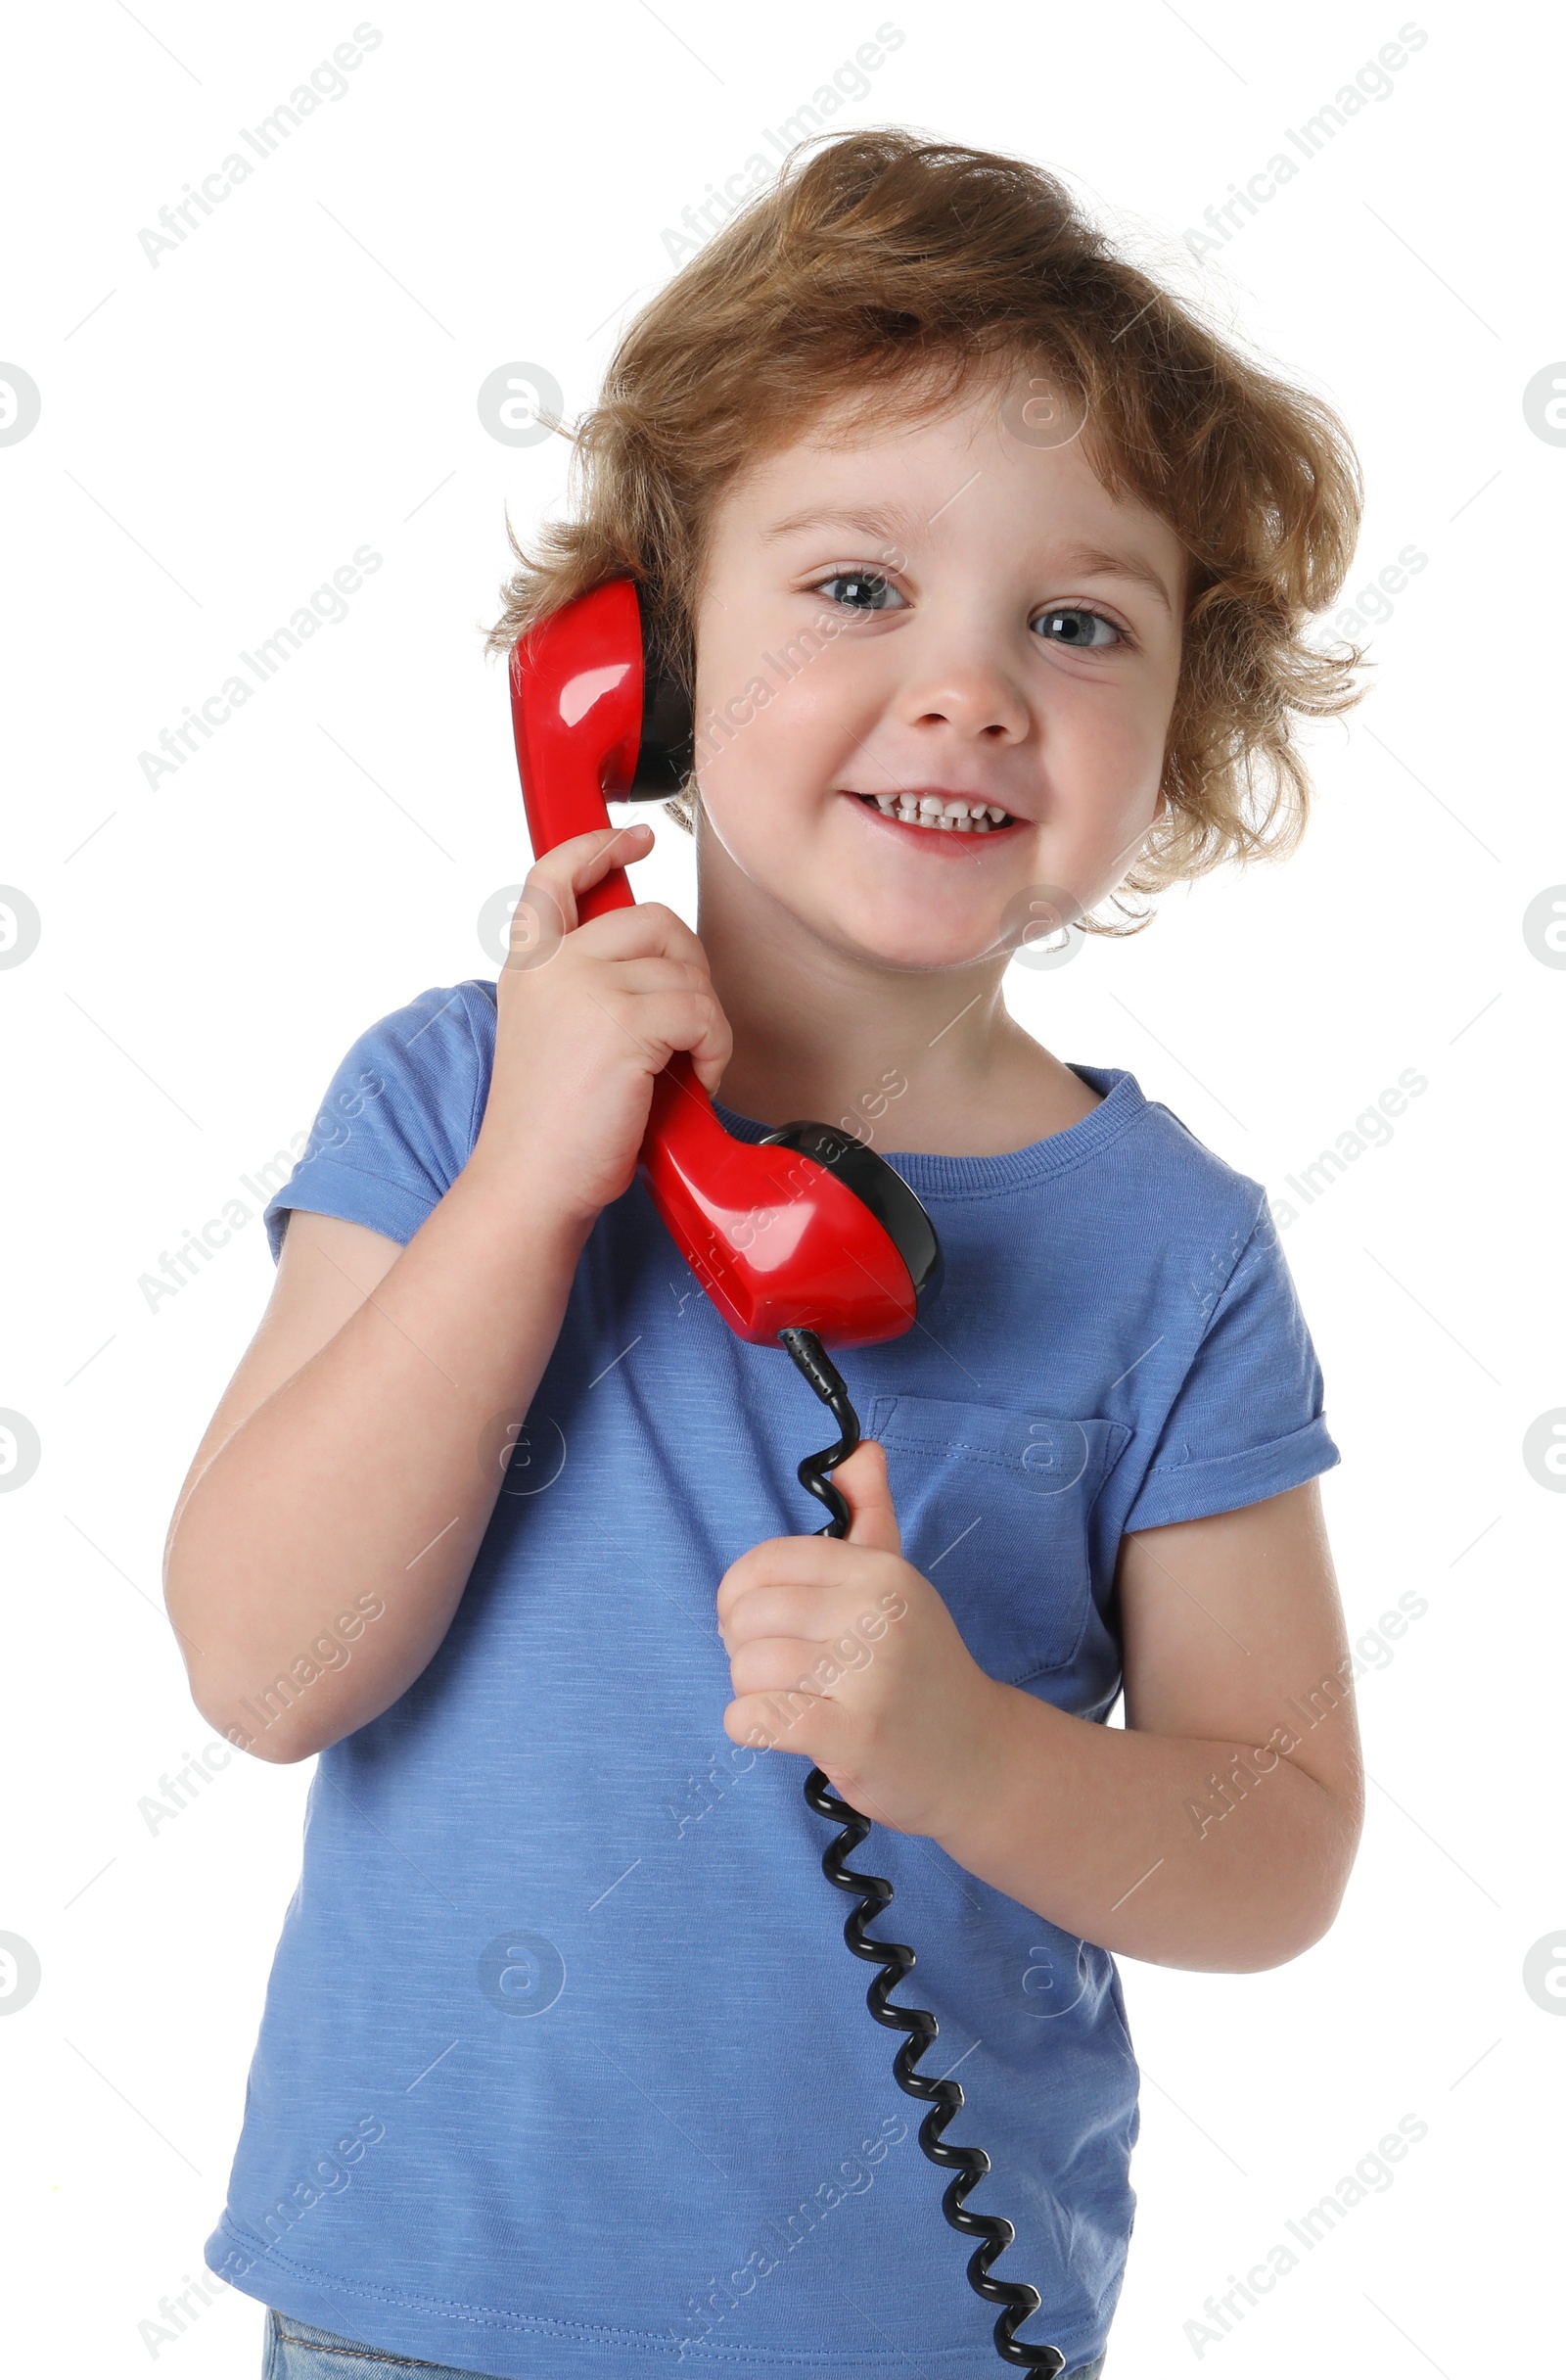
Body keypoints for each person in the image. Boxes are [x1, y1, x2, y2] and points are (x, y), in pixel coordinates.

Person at [163, 128, 1366, 2380]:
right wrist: (535, 1182)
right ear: (633, 668)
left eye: (1075, 622)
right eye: (850, 588)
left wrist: (970, 1757)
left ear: (1171, 725)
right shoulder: (446, 1101)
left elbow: (1273, 1843)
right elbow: (259, 1664)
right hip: (415, 2307)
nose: (968, 686)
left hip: (904, 2323)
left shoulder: (1172, 1251)